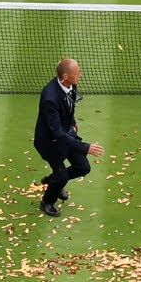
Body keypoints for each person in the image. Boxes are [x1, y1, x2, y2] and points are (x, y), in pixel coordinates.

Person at [33, 58, 104, 217]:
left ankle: (53, 181)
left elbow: (68, 105)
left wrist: (72, 121)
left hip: (66, 135)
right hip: (49, 142)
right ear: (65, 76)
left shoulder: (70, 85)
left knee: (83, 167)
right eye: (76, 73)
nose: (80, 75)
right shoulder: (49, 97)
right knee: (62, 175)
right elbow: (56, 132)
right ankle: (47, 202)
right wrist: (86, 147)